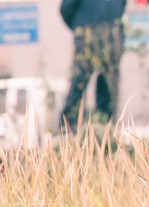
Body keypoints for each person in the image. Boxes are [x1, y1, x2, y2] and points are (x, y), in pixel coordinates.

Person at [58, 0, 127, 131]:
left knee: (108, 87)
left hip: (110, 33)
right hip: (88, 32)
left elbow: (122, 6)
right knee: (79, 84)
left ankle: (105, 129)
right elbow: (66, 8)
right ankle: (68, 130)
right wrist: (81, 27)